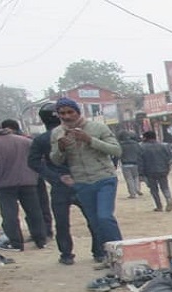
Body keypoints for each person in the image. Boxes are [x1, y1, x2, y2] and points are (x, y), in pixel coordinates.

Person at [49, 97, 123, 264]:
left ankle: (122, 253)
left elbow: (116, 150)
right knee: (95, 222)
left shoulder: (97, 127)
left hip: (104, 177)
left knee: (105, 217)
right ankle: (107, 256)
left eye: (70, 112)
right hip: (81, 182)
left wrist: (89, 140)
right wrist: (60, 148)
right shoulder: (57, 133)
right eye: (62, 113)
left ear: (78, 112)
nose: (67, 116)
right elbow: (56, 160)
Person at [28, 103, 101, 265]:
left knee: (62, 223)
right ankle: (99, 252)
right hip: (84, 182)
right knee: (93, 219)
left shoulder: (41, 139)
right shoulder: (83, 133)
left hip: (60, 185)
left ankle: (66, 254)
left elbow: (33, 163)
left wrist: (54, 177)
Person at [0, 118, 48, 251]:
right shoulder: (25, 141)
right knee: (34, 212)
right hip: (28, 182)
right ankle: (40, 239)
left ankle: (16, 243)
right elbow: (39, 159)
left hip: (4, 184)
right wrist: (33, 174)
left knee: (9, 214)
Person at [3, 118, 54, 240]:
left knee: (35, 208)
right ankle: (44, 232)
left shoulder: (27, 141)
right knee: (39, 207)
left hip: (29, 178)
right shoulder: (29, 140)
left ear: (9, 129)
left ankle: (42, 232)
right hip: (35, 177)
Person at [138, 130, 172, 212]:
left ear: (145, 138)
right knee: (165, 187)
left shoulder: (141, 147)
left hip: (149, 171)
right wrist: (167, 167)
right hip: (163, 170)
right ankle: (169, 199)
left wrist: (140, 173)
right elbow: (169, 158)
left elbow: (140, 161)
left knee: (154, 189)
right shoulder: (164, 146)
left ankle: (159, 206)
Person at [117, 131, 142, 199]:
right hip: (135, 163)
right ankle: (137, 189)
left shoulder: (120, 145)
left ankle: (132, 194)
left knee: (129, 179)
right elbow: (140, 152)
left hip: (125, 164)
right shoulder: (136, 144)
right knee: (136, 177)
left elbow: (118, 154)